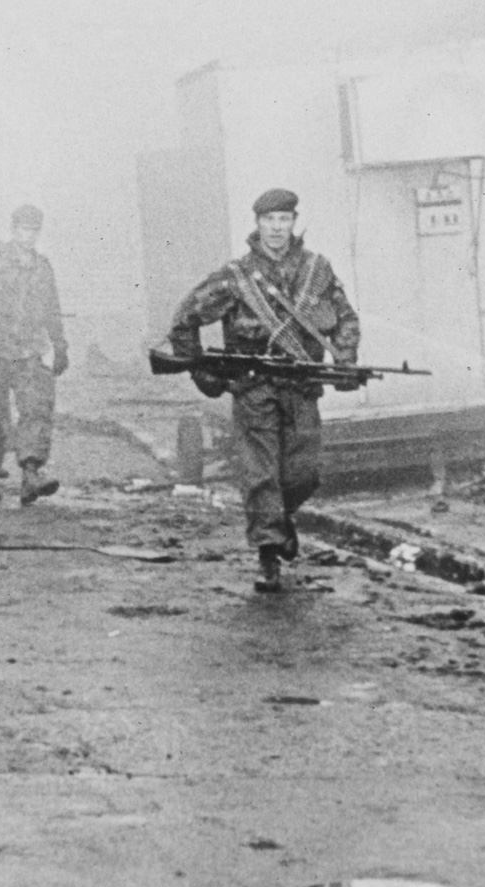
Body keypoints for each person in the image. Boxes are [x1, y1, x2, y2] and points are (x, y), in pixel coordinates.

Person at [168, 188, 361, 592]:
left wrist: (344, 361)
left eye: (285, 219)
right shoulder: (236, 276)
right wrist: (202, 370)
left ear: (294, 222)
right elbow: (185, 317)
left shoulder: (316, 270)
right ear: (257, 224)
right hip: (254, 389)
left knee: (305, 474)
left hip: (301, 387)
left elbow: (345, 319)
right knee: (260, 475)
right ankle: (268, 555)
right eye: (269, 220)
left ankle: (279, 521)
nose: (277, 228)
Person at [0, 203, 68, 503]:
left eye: (34, 230)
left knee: (35, 410)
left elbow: (52, 309)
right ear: (13, 229)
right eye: (24, 229)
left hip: (29, 349)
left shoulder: (42, 267)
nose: (29, 236)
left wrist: (60, 345)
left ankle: (31, 474)